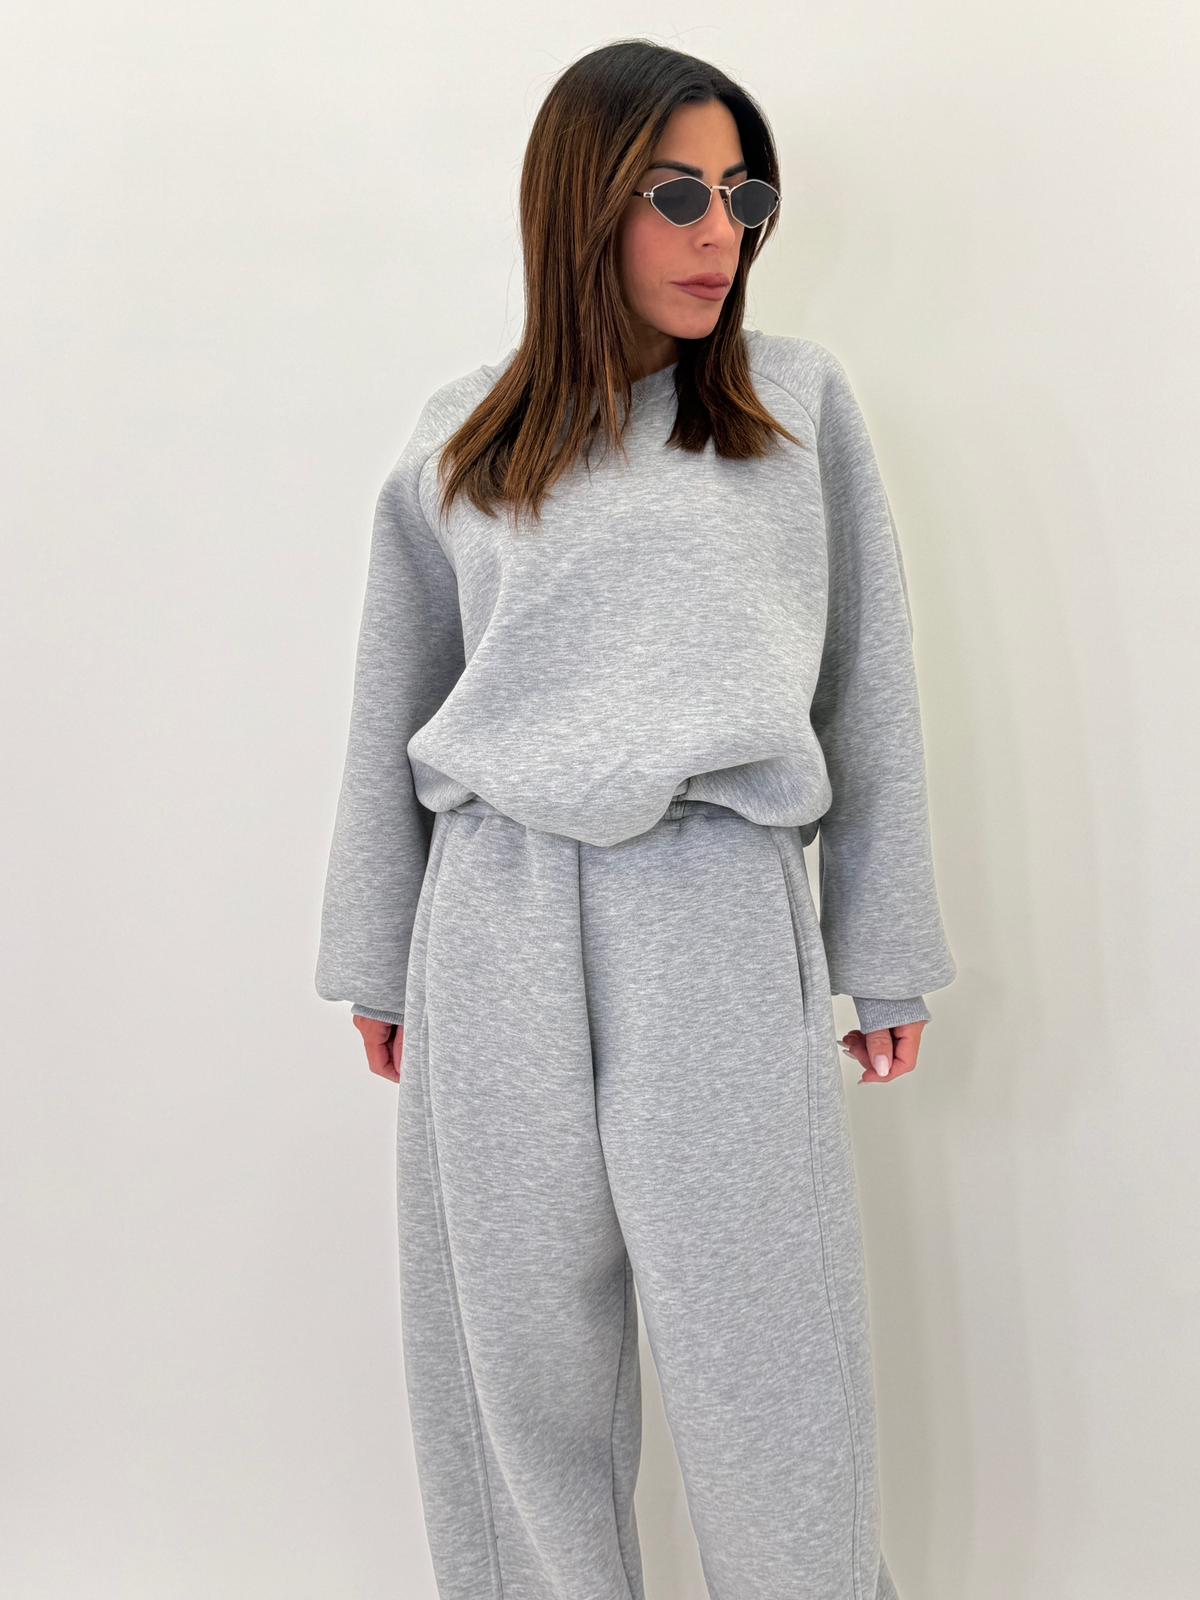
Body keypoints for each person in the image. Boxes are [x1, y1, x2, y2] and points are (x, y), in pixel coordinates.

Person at [314, 37, 956, 1600]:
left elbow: (865, 685)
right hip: (495, 915)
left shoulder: (795, 407)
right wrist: (376, 958)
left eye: (744, 197)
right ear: (582, 201)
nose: (720, 233)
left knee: (770, 1360)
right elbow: (396, 700)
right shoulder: (460, 437)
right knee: (515, 1369)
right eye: (679, 195)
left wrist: (884, 948)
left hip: (715, 903)